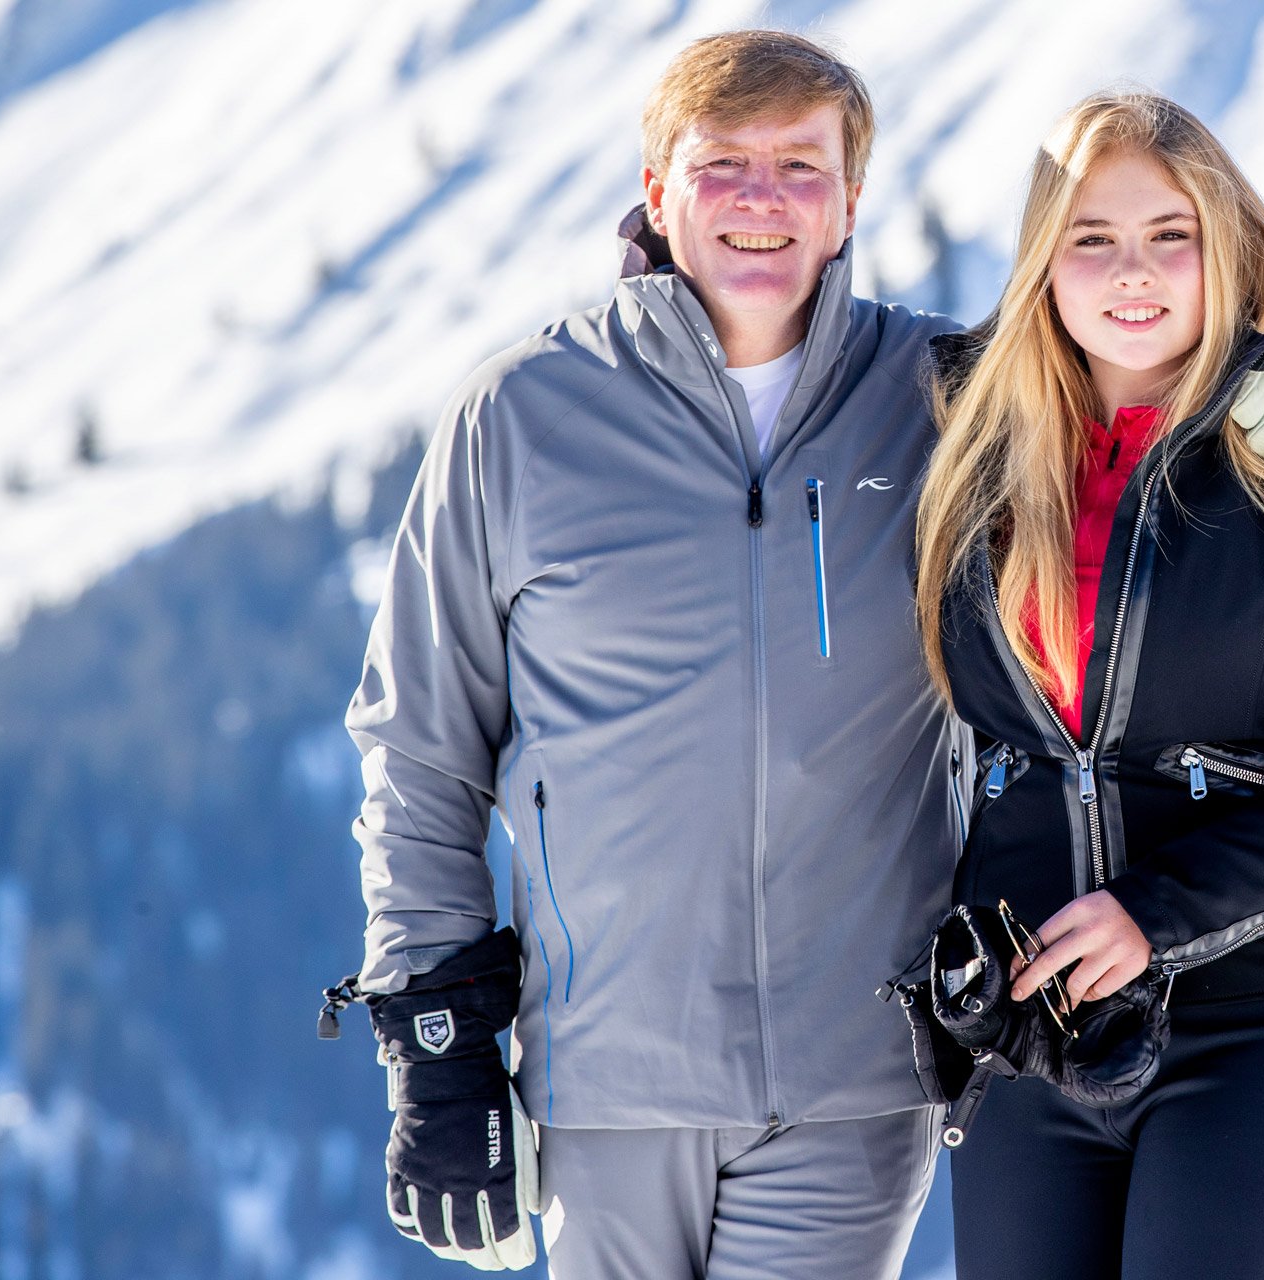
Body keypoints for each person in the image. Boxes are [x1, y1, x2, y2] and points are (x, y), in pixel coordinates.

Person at [335, 31, 968, 1278]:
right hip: (608, 1078)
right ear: (657, 189)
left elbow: (1149, 398)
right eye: (723, 162)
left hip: (854, 1077)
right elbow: (421, 751)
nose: (761, 198)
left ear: (850, 201)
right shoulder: (522, 416)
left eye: (801, 166)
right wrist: (437, 1044)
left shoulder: (949, 399)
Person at [912, 91, 1264, 1278]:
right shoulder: (967, 453)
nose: (1135, 271)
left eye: (1170, 235)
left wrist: (1158, 910)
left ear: (1227, 246)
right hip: (1032, 1026)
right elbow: (780, 375)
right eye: (1093, 238)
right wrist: (674, 278)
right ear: (1042, 262)